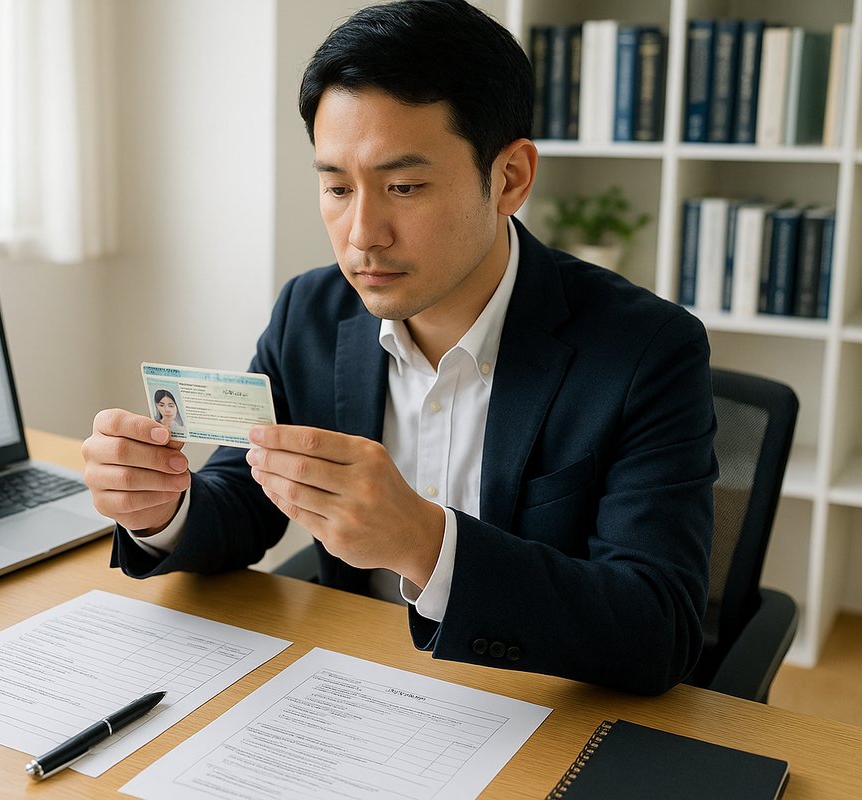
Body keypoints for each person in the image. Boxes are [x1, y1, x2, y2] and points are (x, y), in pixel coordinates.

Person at [81, 0, 716, 695]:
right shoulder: (309, 313)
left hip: (537, 704)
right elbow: (243, 497)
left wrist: (423, 541)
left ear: (510, 178)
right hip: (349, 687)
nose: (362, 235)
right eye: (336, 187)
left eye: (404, 187)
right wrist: (162, 510)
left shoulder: (647, 351)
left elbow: (658, 627)